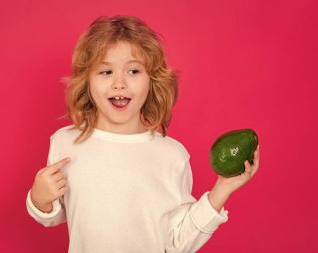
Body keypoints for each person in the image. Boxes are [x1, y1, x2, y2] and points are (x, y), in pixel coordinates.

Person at [26, 15, 260, 253]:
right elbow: (53, 215)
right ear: (87, 81)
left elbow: (177, 242)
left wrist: (223, 189)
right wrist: (38, 198)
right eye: (106, 72)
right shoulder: (66, 143)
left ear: (152, 81)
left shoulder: (172, 155)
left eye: (133, 71)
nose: (119, 83)